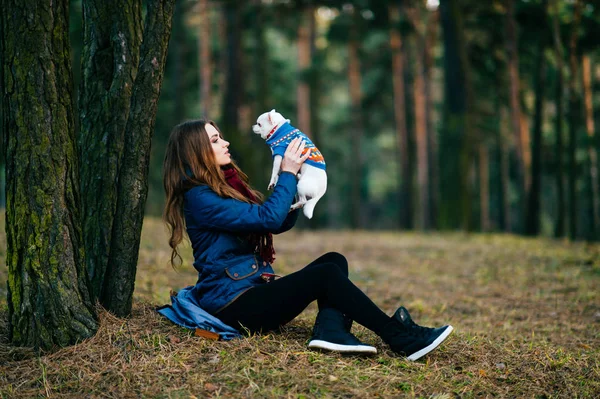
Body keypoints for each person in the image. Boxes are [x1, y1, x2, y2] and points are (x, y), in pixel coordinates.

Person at [160, 119, 453, 360]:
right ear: (194, 151)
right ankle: (399, 337)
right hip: (232, 305)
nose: (225, 143)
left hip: (246, 291)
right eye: (214, 140)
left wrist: (299, 192)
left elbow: (275, 221)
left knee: (333, 261)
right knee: (325, 275)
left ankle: (330, 331)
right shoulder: (200, 197)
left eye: (221, 137)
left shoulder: (221, 189)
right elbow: (268, 218)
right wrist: (286, 172)